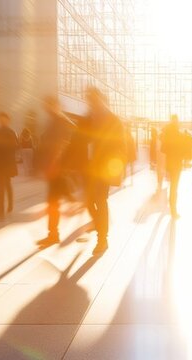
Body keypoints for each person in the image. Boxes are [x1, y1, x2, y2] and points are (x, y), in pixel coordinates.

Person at [82, 87, 127, 255]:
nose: (90, 102)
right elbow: (79, 141)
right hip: (89, 167)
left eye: (93, 99)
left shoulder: (112, 119)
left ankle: (103, 239)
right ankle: (100, 226)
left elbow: (120, 146)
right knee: (88, 201)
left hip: (103, 168)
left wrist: (114, 167)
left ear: (100, 99)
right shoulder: (88, 119)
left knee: (100, 201)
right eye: (89, 99)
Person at [35, 95, 77, 247]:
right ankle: (53, 233)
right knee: (54, 201)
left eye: (48, 104)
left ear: (55, 105)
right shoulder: (55, 120)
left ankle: (53, 234)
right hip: (55, 168)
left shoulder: (59, 121)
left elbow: (61, 145)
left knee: (53, 202)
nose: (46, 108)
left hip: (57, 168)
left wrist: (55, 164)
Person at [0, 112, 19, 217]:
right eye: (0, 119)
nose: (2, 121)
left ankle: (10, 204)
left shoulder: (11, 132)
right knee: (0, 186)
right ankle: (1, 209)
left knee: (6, 184)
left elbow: (16, 147)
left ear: (8, 120)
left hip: (7, 163)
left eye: (4, 119)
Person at [161, 114, 186, 217]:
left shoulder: (167, 134)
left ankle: (171, 206)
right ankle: (173, 210)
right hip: (177, 164)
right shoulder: (180, 135)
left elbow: (163, 149)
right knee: (174, 187)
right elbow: (183, 151)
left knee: (171, 186)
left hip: (169, 163)